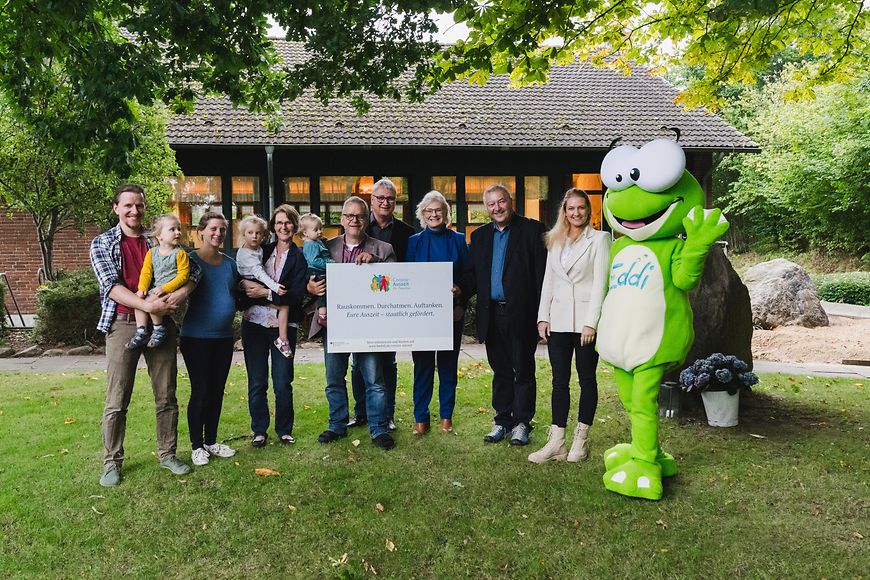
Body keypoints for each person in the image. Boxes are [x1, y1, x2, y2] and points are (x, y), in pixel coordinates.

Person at [90, 183, 199, 487]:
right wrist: (149, 304)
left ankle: (167, 454)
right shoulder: (103, 243)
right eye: (128, 205)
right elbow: (111, 287)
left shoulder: (162, 238)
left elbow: (195, 273)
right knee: (117, 398)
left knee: (166, 394)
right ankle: (111, 462)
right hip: (123, 323)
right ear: (116, 208)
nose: (134, 210)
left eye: (139, 205)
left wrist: (180, 295)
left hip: (162, 322)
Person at [459, 183, 547, 446]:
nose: (497, 207)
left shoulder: (533, 230)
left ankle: (522, 423)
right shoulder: (480, 236)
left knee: (523, 369)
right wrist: (459, 289)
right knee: (500, 371)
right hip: (492, 314)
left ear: (511, 202)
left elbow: (542, 276)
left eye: (501, 202)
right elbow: (473, 275)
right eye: (491, 204)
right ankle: (501, 421)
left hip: (521, 312)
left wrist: (544, 314)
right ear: (485, 208)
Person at [308, 196, 398, 450]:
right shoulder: (326, 246)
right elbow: (311, 275)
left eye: (359, 215)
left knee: (375, 380)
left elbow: (395, 285)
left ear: (366, 219)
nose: (354, 220)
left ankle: (378, 428)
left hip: (368, 326)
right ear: (341, 219)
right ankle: (337, 425)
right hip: (334, 325)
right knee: (334, 378)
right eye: (349, 216)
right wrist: (310, 286)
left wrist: (376, 264)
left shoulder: (383, 248)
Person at [528, 188, 611, 464]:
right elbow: (548, 281)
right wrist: (543, 316)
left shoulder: (600, 240)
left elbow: (601, 283)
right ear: (564, 211)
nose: (576, 213)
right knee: (558, 381)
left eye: (581, 208)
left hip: (585, 322)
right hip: (559, 320)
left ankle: (580, 440)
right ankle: (557, 441)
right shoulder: (555, 240)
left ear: (589, 210)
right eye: (571, 208)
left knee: (587, 379)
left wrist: (592, 322)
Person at [348, 178, 415, 432]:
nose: (385, 202)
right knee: (358, 361)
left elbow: (409, 270)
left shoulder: (408, 233)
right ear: (371, 201)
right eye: (380, 198)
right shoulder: (359, 227)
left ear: (395, 202)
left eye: (390, 199)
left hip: (390, 306)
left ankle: (387, 414)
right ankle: (361, 412)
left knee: (388, 361)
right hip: (361, 306)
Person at [239, 204, 308, 447]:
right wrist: (251, 291)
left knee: (282, 381)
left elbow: (296, 295)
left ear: (295, 225)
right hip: (254, 324)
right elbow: (244, 285)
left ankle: (284, 430)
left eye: (288, 222)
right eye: (279, 222)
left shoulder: (299, 258)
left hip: (284, 326)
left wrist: (265, 294)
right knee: (257, 381)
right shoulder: (261, 250)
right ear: (273, 226)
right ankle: (259, 430)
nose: (283, 226)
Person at [405, 191, 469, 435]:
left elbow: (469, 275)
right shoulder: (414, 242)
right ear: (423, 214)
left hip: (451, 315)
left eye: (438, 210)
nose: (434, 214)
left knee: (447, 366)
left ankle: (446, 417)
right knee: (421, 366)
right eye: (429, 211)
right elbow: (408, 280)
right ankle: (421, 418)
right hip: (421, 317)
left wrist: (461, 298)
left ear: (446, 214)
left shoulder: (458, 240)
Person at [179, 211, 239, 466]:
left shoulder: (229, 263)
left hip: (224, 338)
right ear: (201, 231)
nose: (218, 234)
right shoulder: (189, 261)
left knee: (217, 390)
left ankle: (211, 441)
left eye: (223, 230)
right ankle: (196, 445)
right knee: (201, 390)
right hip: (196, 337)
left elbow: (236, 293)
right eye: (213, 229)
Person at [127, 213, 190, 349]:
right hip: (157, 289)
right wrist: (142, 288)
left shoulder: (180, 254)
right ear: (159, 235)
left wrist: (165, 288)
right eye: (172, 229)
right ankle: (141, 330)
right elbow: (146, 272)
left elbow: (183, 276)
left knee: (149, 303)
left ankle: (158, 328)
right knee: (139, 303)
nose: (178, 232)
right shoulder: (152, 253)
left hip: (171, 290)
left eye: (178, 229)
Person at [236, 215, 292, 358]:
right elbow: (260, 273)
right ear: (243, 234)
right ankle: (283, 340)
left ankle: (282, 339)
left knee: (283, 306)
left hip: (257, 283)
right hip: (253, 284)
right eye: (250, 233)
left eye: (258, 233)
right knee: (283, 306)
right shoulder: (246, 254)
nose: (254, 236)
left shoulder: (260, 249)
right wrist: (273, 287)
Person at [299, 213, 333, 327]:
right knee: (323, 292)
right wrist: (330, 264)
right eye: (315, 230)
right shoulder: (311, 244)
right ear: (305, 233)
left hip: (316, 270)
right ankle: (322, 316)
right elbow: (314, 261)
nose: (319, 231)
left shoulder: (315, 241)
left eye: (320, 228)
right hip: (315, 271)